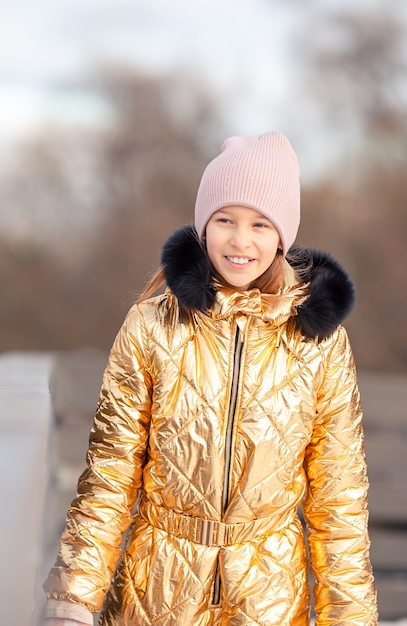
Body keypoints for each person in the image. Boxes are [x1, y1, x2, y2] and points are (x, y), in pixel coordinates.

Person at [43, 131, 378, 625]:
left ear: (282, 237)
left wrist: (349, 618)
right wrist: (73, 595)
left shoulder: (319, 344)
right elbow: (111, 470)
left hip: (267, 597)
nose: (241, 240)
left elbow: (339, 497)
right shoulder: (153, 326)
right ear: (204, 226)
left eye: (261, 224)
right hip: (154, 594)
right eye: (226, 220)